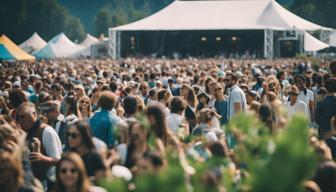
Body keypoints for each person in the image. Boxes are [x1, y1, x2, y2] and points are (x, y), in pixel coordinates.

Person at [16, 102, 62, 189]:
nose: (20, 121)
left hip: (48, 184)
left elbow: (59, 161)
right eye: (18, 118)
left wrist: (42, 158)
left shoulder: (46, 131)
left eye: (23, 117)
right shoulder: (25, 133)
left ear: (33, 114)